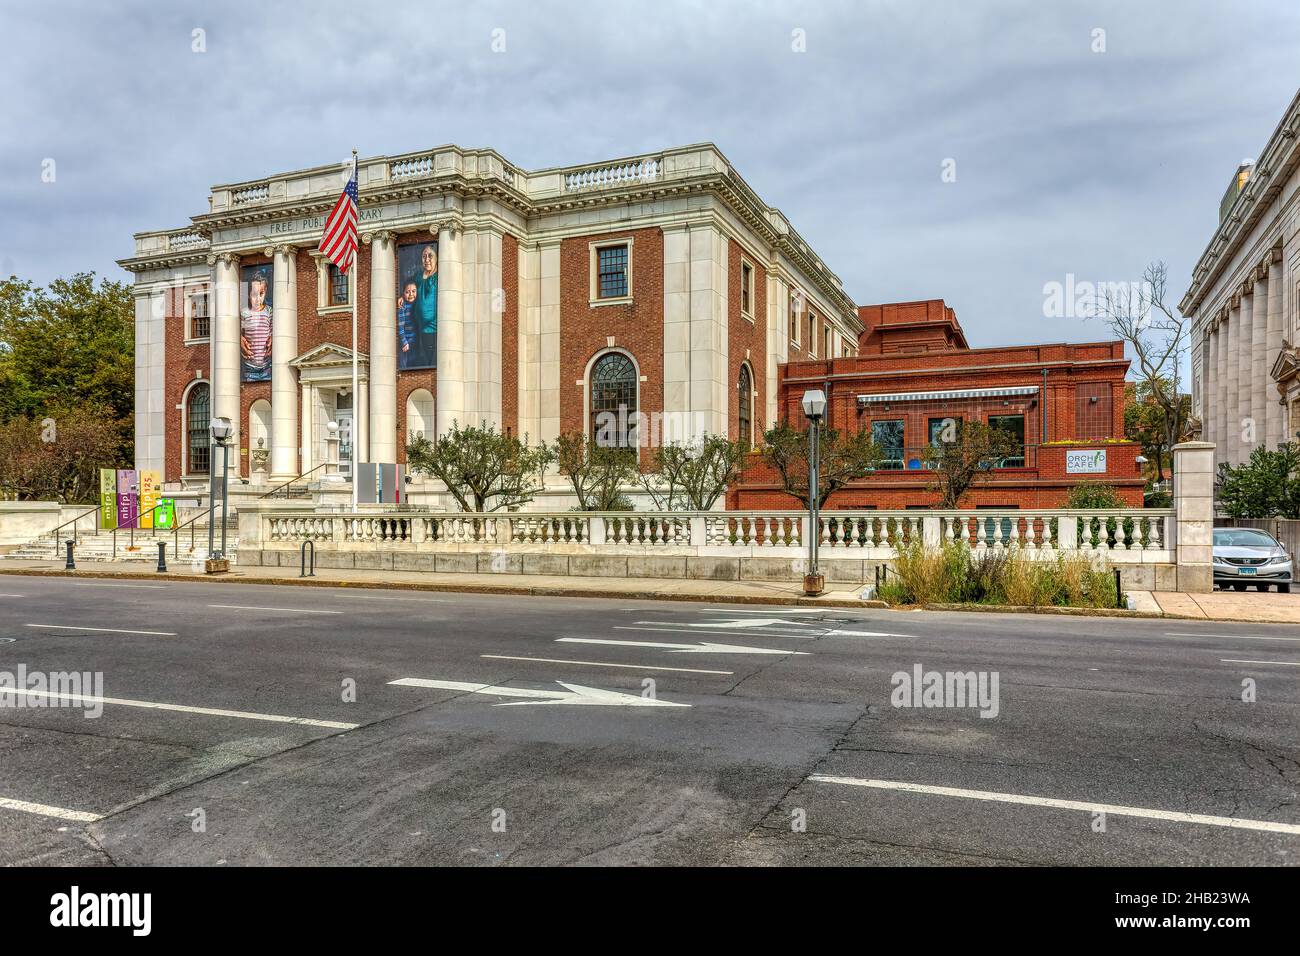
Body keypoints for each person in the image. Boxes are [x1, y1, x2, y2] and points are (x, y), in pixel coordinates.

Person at [240, 270, 272, 381]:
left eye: (261, 294)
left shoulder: (269, 311)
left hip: (267, 366)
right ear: (248, 294)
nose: (258, 299)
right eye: (254, 294)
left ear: (266, 291)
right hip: (249, 368)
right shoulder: (244, 312)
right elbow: (238, 332)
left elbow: (273, 330)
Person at [413, 245, 438, 367]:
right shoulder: (418, 276)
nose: (427, 259)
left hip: (435, 329)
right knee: (424, 362)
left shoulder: (439, 277)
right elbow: (410, 287)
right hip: (420, 328)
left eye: (430, 256)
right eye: (424, 256)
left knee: (432, 363)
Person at [397, 279, 418, 369]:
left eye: (413, 291)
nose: (411, 294)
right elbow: (400, 325)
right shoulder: (403, 306)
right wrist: (404, 342)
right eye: (407, 292)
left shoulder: (418, 303)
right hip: (406, 341)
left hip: (416, 340)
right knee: (405, 364)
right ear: (403, 293)